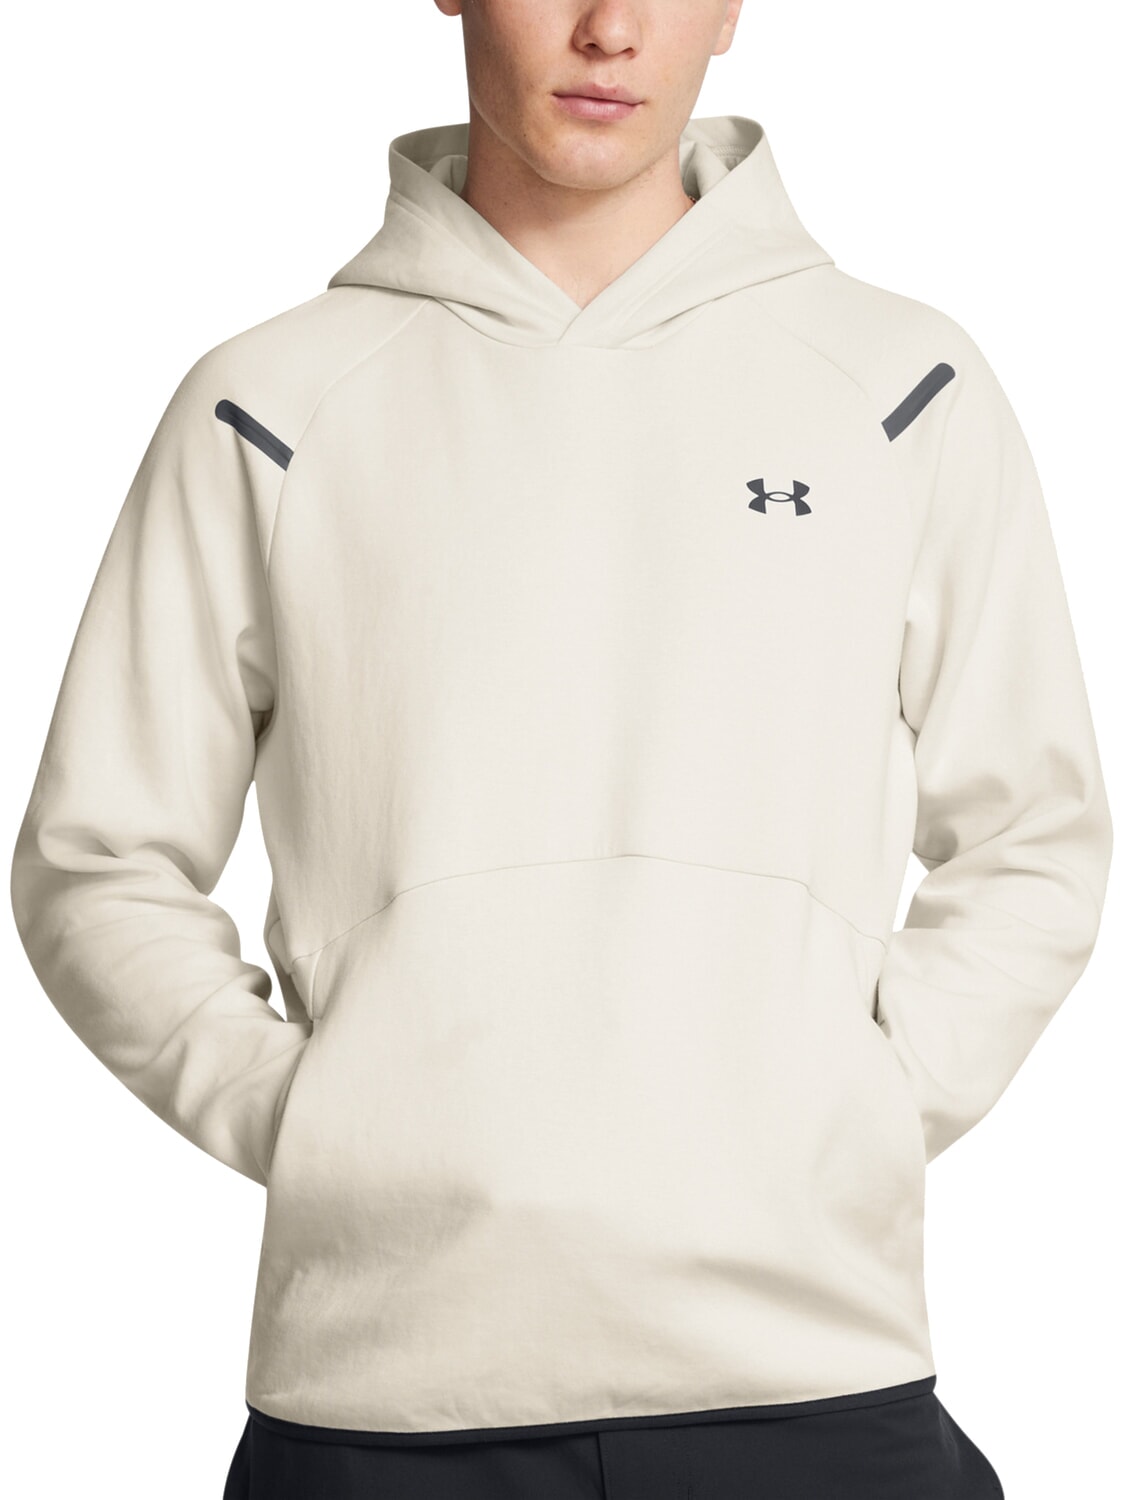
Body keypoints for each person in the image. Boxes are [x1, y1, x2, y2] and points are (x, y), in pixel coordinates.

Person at [10, 1, 1113, 1496]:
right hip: (385, 1388)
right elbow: (97, 857)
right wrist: (317, 1122)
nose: (610, 29)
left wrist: (848, 1112)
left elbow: (1033, 829)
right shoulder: (270, 402)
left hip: (812, 1369)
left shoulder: (902, 384)